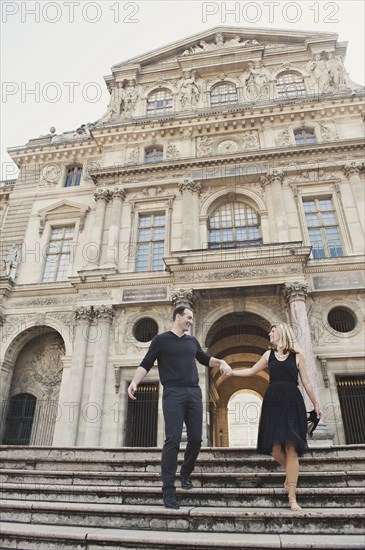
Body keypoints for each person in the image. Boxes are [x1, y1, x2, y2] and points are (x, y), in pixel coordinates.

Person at [128, 305, 231, 509]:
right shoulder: (161, 340)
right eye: (189, 318)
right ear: (178, 317)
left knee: (196, 438)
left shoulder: (192, 341)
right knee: (173, 440)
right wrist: (134, 382)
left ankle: (185, 473)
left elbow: (204, 359)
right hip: (173, 392)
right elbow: (146, 362)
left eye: (192, 318)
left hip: (194, 392)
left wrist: (222, 363)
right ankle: (168, 490)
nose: (191, 321)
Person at [224, 322, 321, 512]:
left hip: (292, 400)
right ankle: (291, 474)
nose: (270, 333)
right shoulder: (268, 355)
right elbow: (251, 370)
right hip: (273, 402)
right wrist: (232, 372)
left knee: (291, 448)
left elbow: (307, 382)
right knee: (276, 451)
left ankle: (292, 495)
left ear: (282, 333)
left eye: (273, 331)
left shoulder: (298, 356)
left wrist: (316, 403)